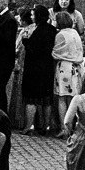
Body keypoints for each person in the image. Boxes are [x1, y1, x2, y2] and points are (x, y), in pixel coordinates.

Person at [25, 7, 60, 135]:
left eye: (33, 15)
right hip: (47, 67)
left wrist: (25, 41)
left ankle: (28, 126)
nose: (31, 17)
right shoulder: (52, 30)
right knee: (46, 99)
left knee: (31, 99)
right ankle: (46, 126)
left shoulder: (36, 31)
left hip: (33, 69)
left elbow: (32, 50)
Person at [52, 9, 85, 119]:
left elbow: (56, 52)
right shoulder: (74, 32)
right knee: (72, 97)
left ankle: (64, 126)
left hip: (64, 68)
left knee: (62, 97)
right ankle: (72, 124)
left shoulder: (61, 35)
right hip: (76, 68)